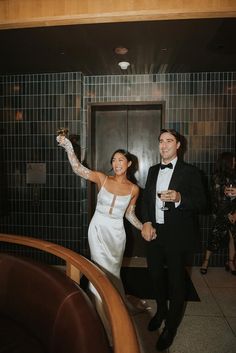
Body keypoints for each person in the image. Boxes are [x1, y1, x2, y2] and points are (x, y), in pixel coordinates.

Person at [56, 130, 155, 332]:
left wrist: (143, 225)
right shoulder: (102, 178)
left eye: (121, 160)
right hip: (98, 229)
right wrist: (68, 146)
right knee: (98, 271)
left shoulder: (134, 189)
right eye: (114, 160)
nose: (117, 163)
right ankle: (103, 320)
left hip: (117, 234)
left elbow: (130, 215)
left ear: (129, 164)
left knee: (113, 273)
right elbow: (78, 169)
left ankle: (116, 304)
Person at [141, 128, 206, 351]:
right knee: (156, 275)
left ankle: (171, 327)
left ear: (179, 145)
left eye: (169, 141)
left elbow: (203, 203)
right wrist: (147, 222)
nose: (164, 145)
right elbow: (145, 201)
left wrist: (179, 198)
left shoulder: (190, 172)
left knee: (177, 282)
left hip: (178, 234)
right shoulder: (151, 171)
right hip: (155, 232)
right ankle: (161, 310)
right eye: (161, 141)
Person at [200, 152, 236, 275]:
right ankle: (205, 261)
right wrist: (228, 214)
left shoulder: (235, 176)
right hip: (221, 212)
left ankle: (230, 262)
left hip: (234, 212)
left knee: (233, 237)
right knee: (214, 237)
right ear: (227, 162)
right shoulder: (217, 176)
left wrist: (234, 212)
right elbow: (217, 198)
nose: (234, 162)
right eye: (233, 160)